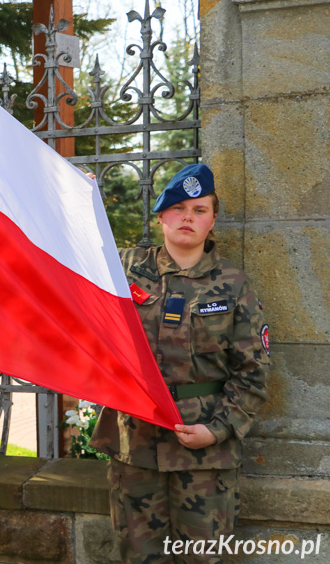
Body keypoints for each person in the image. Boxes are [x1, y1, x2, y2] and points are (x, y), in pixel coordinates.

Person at [89, 163, 270, 564]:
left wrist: (216, 430)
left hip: (204, 452)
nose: (187, 217)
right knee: (138, 558)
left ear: (213, 220)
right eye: (178, 207)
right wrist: (78, 201)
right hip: (134, 444)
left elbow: (252, 372)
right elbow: (66, 261)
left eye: (200, 210)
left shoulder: (234, 284)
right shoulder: (122, 268)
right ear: (160, 216)